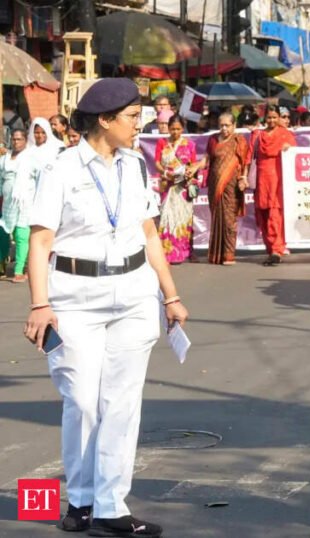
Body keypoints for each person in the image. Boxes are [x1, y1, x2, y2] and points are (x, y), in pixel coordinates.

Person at [23, 77, 188, 538]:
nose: (142, 125)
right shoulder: (62, 169)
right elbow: (40, 241)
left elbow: (150, 234)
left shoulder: (136, 166)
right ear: (105, 120)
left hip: (134, 294)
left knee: (121, 404)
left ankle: (112, 506)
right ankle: (79, 500)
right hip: (74, 297)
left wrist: (171, 295)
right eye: (134, 117)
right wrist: (40, 305)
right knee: (82, 401)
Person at [4, 119, 65, 283]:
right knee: (25, 234)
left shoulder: (55, 149)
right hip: (27, 198)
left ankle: (40, 267)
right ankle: (28, 267)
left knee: (44, 233)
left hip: (49, 196)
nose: (39, 135)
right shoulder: (29, 152)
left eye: (43, 132)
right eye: (36, 132)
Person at [204, 112, 251, 266]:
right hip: (215, 185)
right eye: (221, 125)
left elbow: (246, 162)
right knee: (217, 219)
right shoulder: (212, 140)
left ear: (234, 125)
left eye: (227, 125)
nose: (224, 129)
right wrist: (194, 167)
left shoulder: (239, 141)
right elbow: (206, 159)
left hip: (232, 187)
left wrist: (244, 178)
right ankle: (216, 255)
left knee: (229, 220)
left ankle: (229, 255)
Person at [251, 105, 296, 265]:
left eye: (274, 117)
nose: (271, 120)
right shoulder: (258, 135)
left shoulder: (286, 135)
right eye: (269, 117)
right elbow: (251, 157)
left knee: (275, 215)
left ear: (279, 118)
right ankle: (270, 249)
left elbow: (294, 157)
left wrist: (289, 149)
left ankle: (277, 249)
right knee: (263, 215)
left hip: (278, 179)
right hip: (262, 180)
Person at [153, 114, 201, 264]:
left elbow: (194, 164)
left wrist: (189, 172)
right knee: (167, 219)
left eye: (178, 129)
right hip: (168, 185)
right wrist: (165, 173)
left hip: (183, 187)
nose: (175, 132)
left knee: (184, 218)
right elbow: (157, 162)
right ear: (168, 128)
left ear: (183, 128)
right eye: (172, 129)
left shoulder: (189, 144)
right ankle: (167, 253)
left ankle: (185, 252)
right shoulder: (162, 143)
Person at [0, 128, 28, 280]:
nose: (16, 142)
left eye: (19, 139)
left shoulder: (30, 158)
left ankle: (19, 270)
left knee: (21, 235)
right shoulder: (5, 158)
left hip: (25, 202)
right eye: (14, 139)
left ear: (25, 140)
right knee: (3, 234)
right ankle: (2, 266)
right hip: (7, 202)